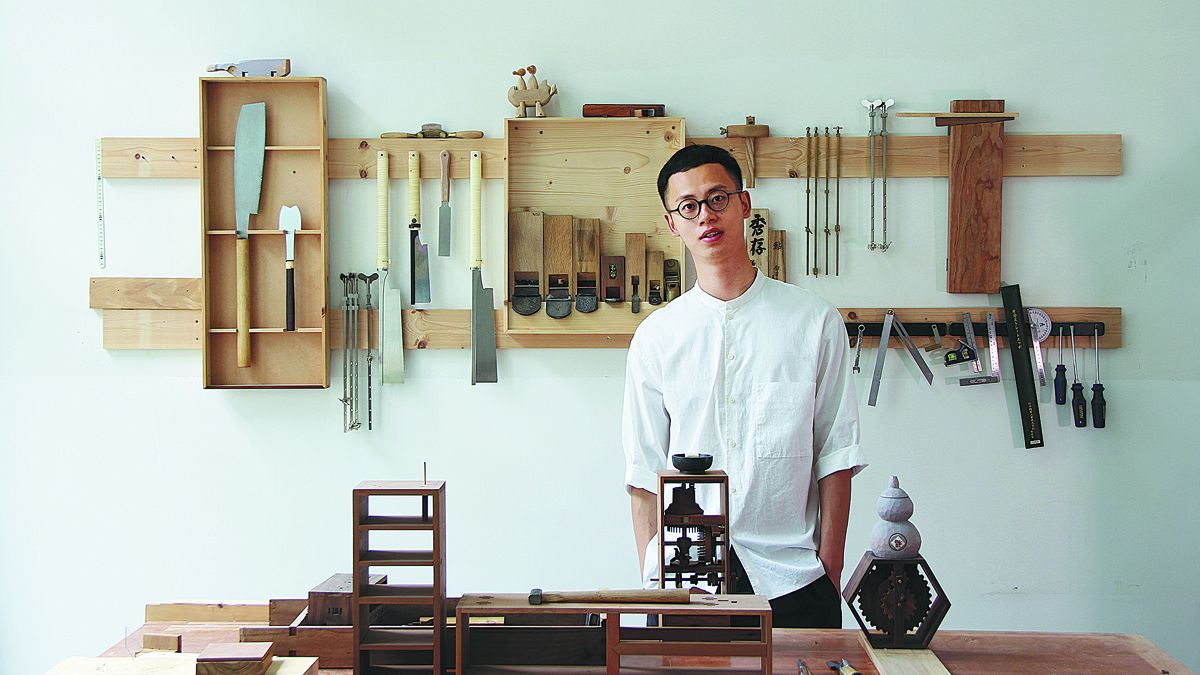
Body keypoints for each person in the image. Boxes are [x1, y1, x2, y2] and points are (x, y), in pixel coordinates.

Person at [622, 144, 866, 628]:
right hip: (684, 582)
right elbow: (643, 468)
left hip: (792, 577)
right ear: (673, 223)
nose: (705, 216)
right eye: (688, 206)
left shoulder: (813, 321)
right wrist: (653, 578)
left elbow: (836, 453)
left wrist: (830, 567)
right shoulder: (657, 336)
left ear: (744, 204)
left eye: (718, 198)